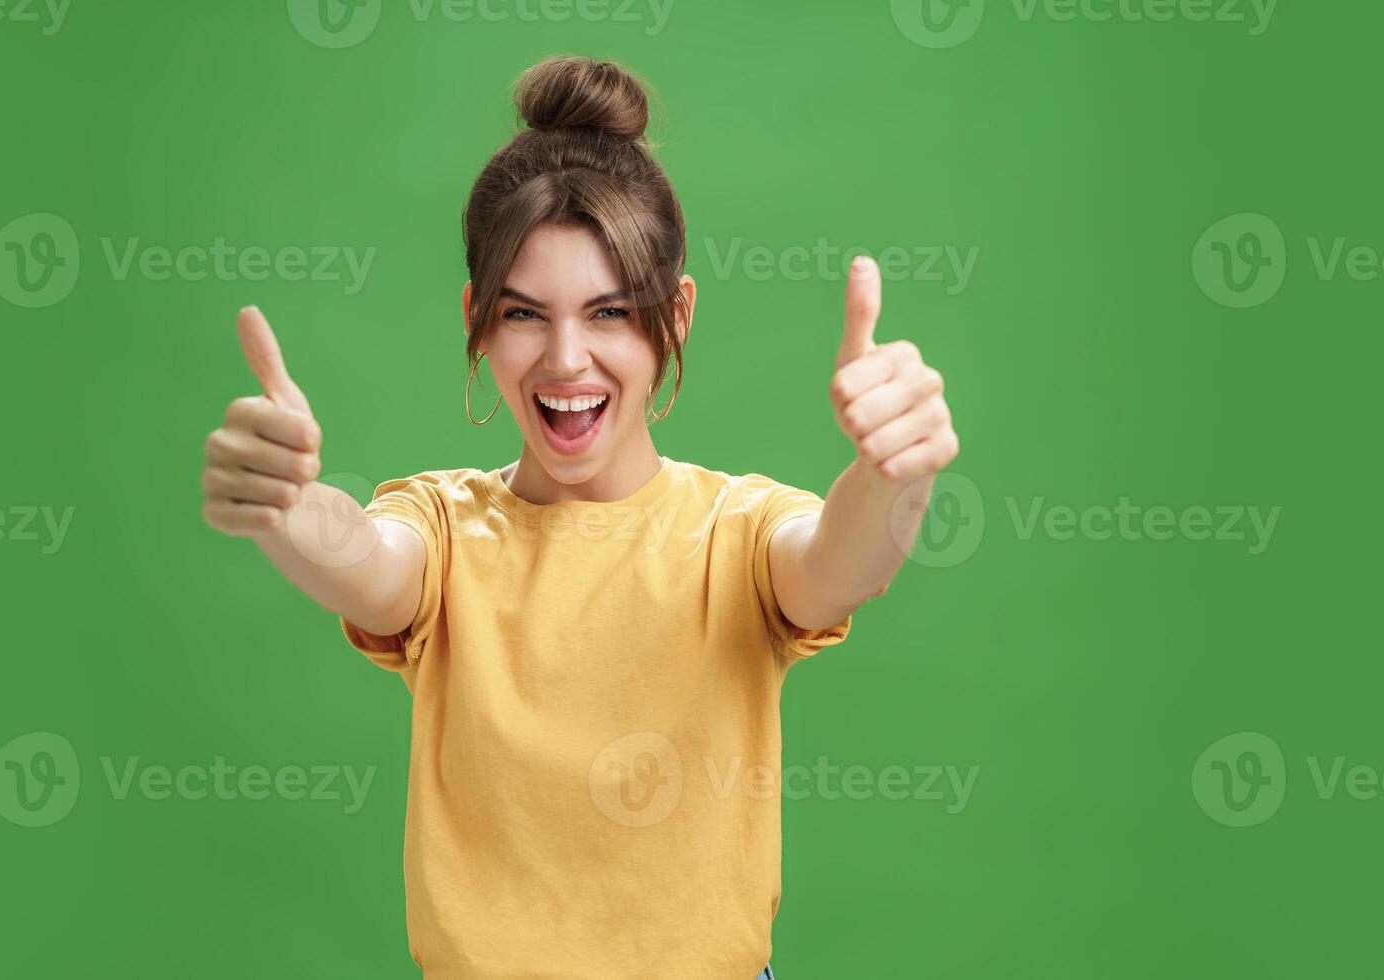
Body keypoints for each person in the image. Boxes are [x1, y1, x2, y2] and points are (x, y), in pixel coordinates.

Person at [200, 54, 959, 979]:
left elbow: (844, 562)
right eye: (526, 313)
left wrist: (896, 470)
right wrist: (281, 504)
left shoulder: (736, 532)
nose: (567, 360)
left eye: (609, 312)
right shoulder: (441, 529)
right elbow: (362, 557)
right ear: (478, 317)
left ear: (674, 317)